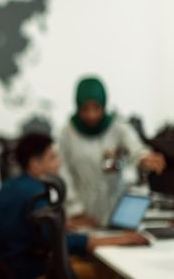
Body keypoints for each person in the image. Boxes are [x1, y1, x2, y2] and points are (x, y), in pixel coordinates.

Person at [0, 133, 149, 279]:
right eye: (52, 157)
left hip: (9, 268)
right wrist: (115, 239)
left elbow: (28, 228)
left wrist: (63, 224)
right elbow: (60, 242)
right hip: (31, 272)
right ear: (35, 163)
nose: (59, 162)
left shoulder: (9, 187)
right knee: (109, 272)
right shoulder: (35, 193)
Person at [59, 76, 166, 227]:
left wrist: (145, 158)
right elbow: (63, 174)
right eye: (85, 109)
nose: (91, 115)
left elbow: (136, 148)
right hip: (82, 213)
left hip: (115, 209)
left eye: (96, 108)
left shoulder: (117, 127)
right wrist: (76, 211)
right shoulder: (66, 134)